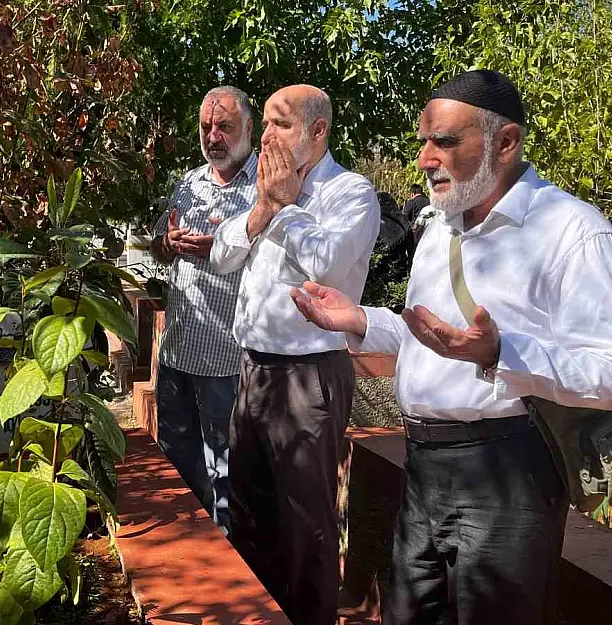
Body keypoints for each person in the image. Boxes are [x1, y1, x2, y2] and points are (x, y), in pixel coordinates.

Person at [291, 70, 612, 625]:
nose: (426, 159)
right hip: (424, 469)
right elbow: (431, 338)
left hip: (508, 472)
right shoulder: (440, 229)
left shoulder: (571, 229)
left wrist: (503, 354)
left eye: (446, 142)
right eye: (423, 142)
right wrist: (359, 319)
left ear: (506, 142)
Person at [210, 84, 380, 625]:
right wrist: (262, 207)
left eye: (280, 124)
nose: (266, 137)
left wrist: (282, 208)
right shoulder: (265, 192)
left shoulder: (350, 193)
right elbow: (220, 256)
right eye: (264, 124)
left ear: (318, 131)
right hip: (253, 371)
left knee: (306, 524)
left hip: (309, 377)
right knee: (249, 512)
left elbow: (326, 265)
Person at [149, 85, 257, 535]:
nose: (213, 136)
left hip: (227, 361)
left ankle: (229, 570)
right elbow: (157, 246)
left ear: (249, 129)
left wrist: (223, 247)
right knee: (177, 464)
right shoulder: (188, 184)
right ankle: (188, 555)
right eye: (206, 126)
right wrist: (167, 244)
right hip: (176, 355)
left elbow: (281, 263)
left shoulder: (266, 190)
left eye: (225, 127)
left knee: (227, 476)